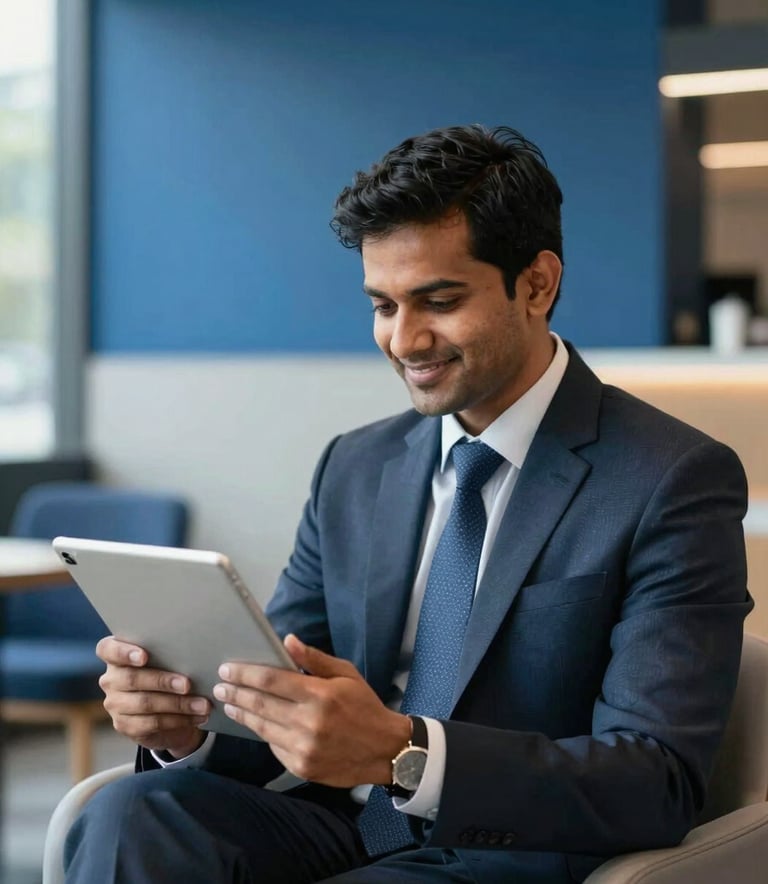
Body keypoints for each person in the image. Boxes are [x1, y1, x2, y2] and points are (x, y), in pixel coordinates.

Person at [64, 125, 751, 884]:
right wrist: (186, 728)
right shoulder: (355, 466)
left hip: (510, 853)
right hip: (344, 824)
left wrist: (403, 754)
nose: (404, 339)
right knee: (129, 812)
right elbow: (280, 688)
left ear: (537, 284)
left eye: (439, 300)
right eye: (383, 305)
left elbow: (656, 780)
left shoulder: (672, 478)